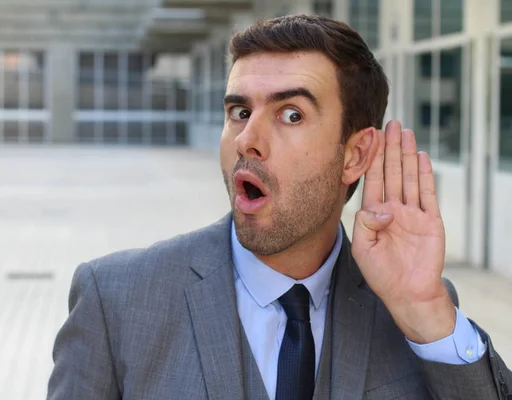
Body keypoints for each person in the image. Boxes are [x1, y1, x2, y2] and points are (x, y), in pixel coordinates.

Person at [47, 14, 512, 400]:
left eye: (291, 114)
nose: (248, 139)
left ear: (355, 155)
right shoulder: (118, 301)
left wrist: (427, 312)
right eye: (239, 112)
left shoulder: (413, 309)